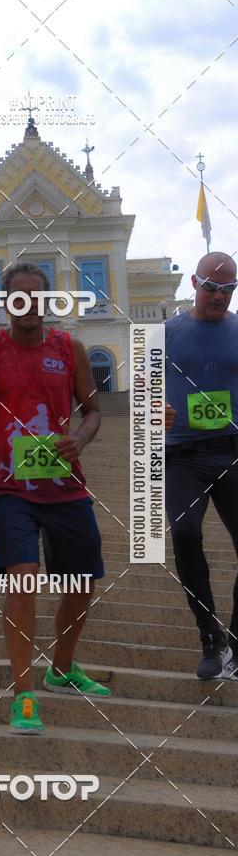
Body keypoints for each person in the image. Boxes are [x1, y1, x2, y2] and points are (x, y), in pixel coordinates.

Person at [0, 261, 110, 735]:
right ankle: (24, 693)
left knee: (81, 583)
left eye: (36, 296)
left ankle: (61, 668)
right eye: (16, 296)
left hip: (65, 484)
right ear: (4, 302)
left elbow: (93, 411)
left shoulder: (70, 348)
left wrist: (80, 440)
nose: (26, 304)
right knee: (22, 580)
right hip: (10, 486)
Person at [165, 251, 238, 681]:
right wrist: (155, 410)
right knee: (186, 533)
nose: (219, 296)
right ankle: (209, 634)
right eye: (211, 287)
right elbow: (142, 390)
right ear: (194, 283)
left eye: (228, 289)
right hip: (183, 456)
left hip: (231, 450)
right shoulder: (169, 331)